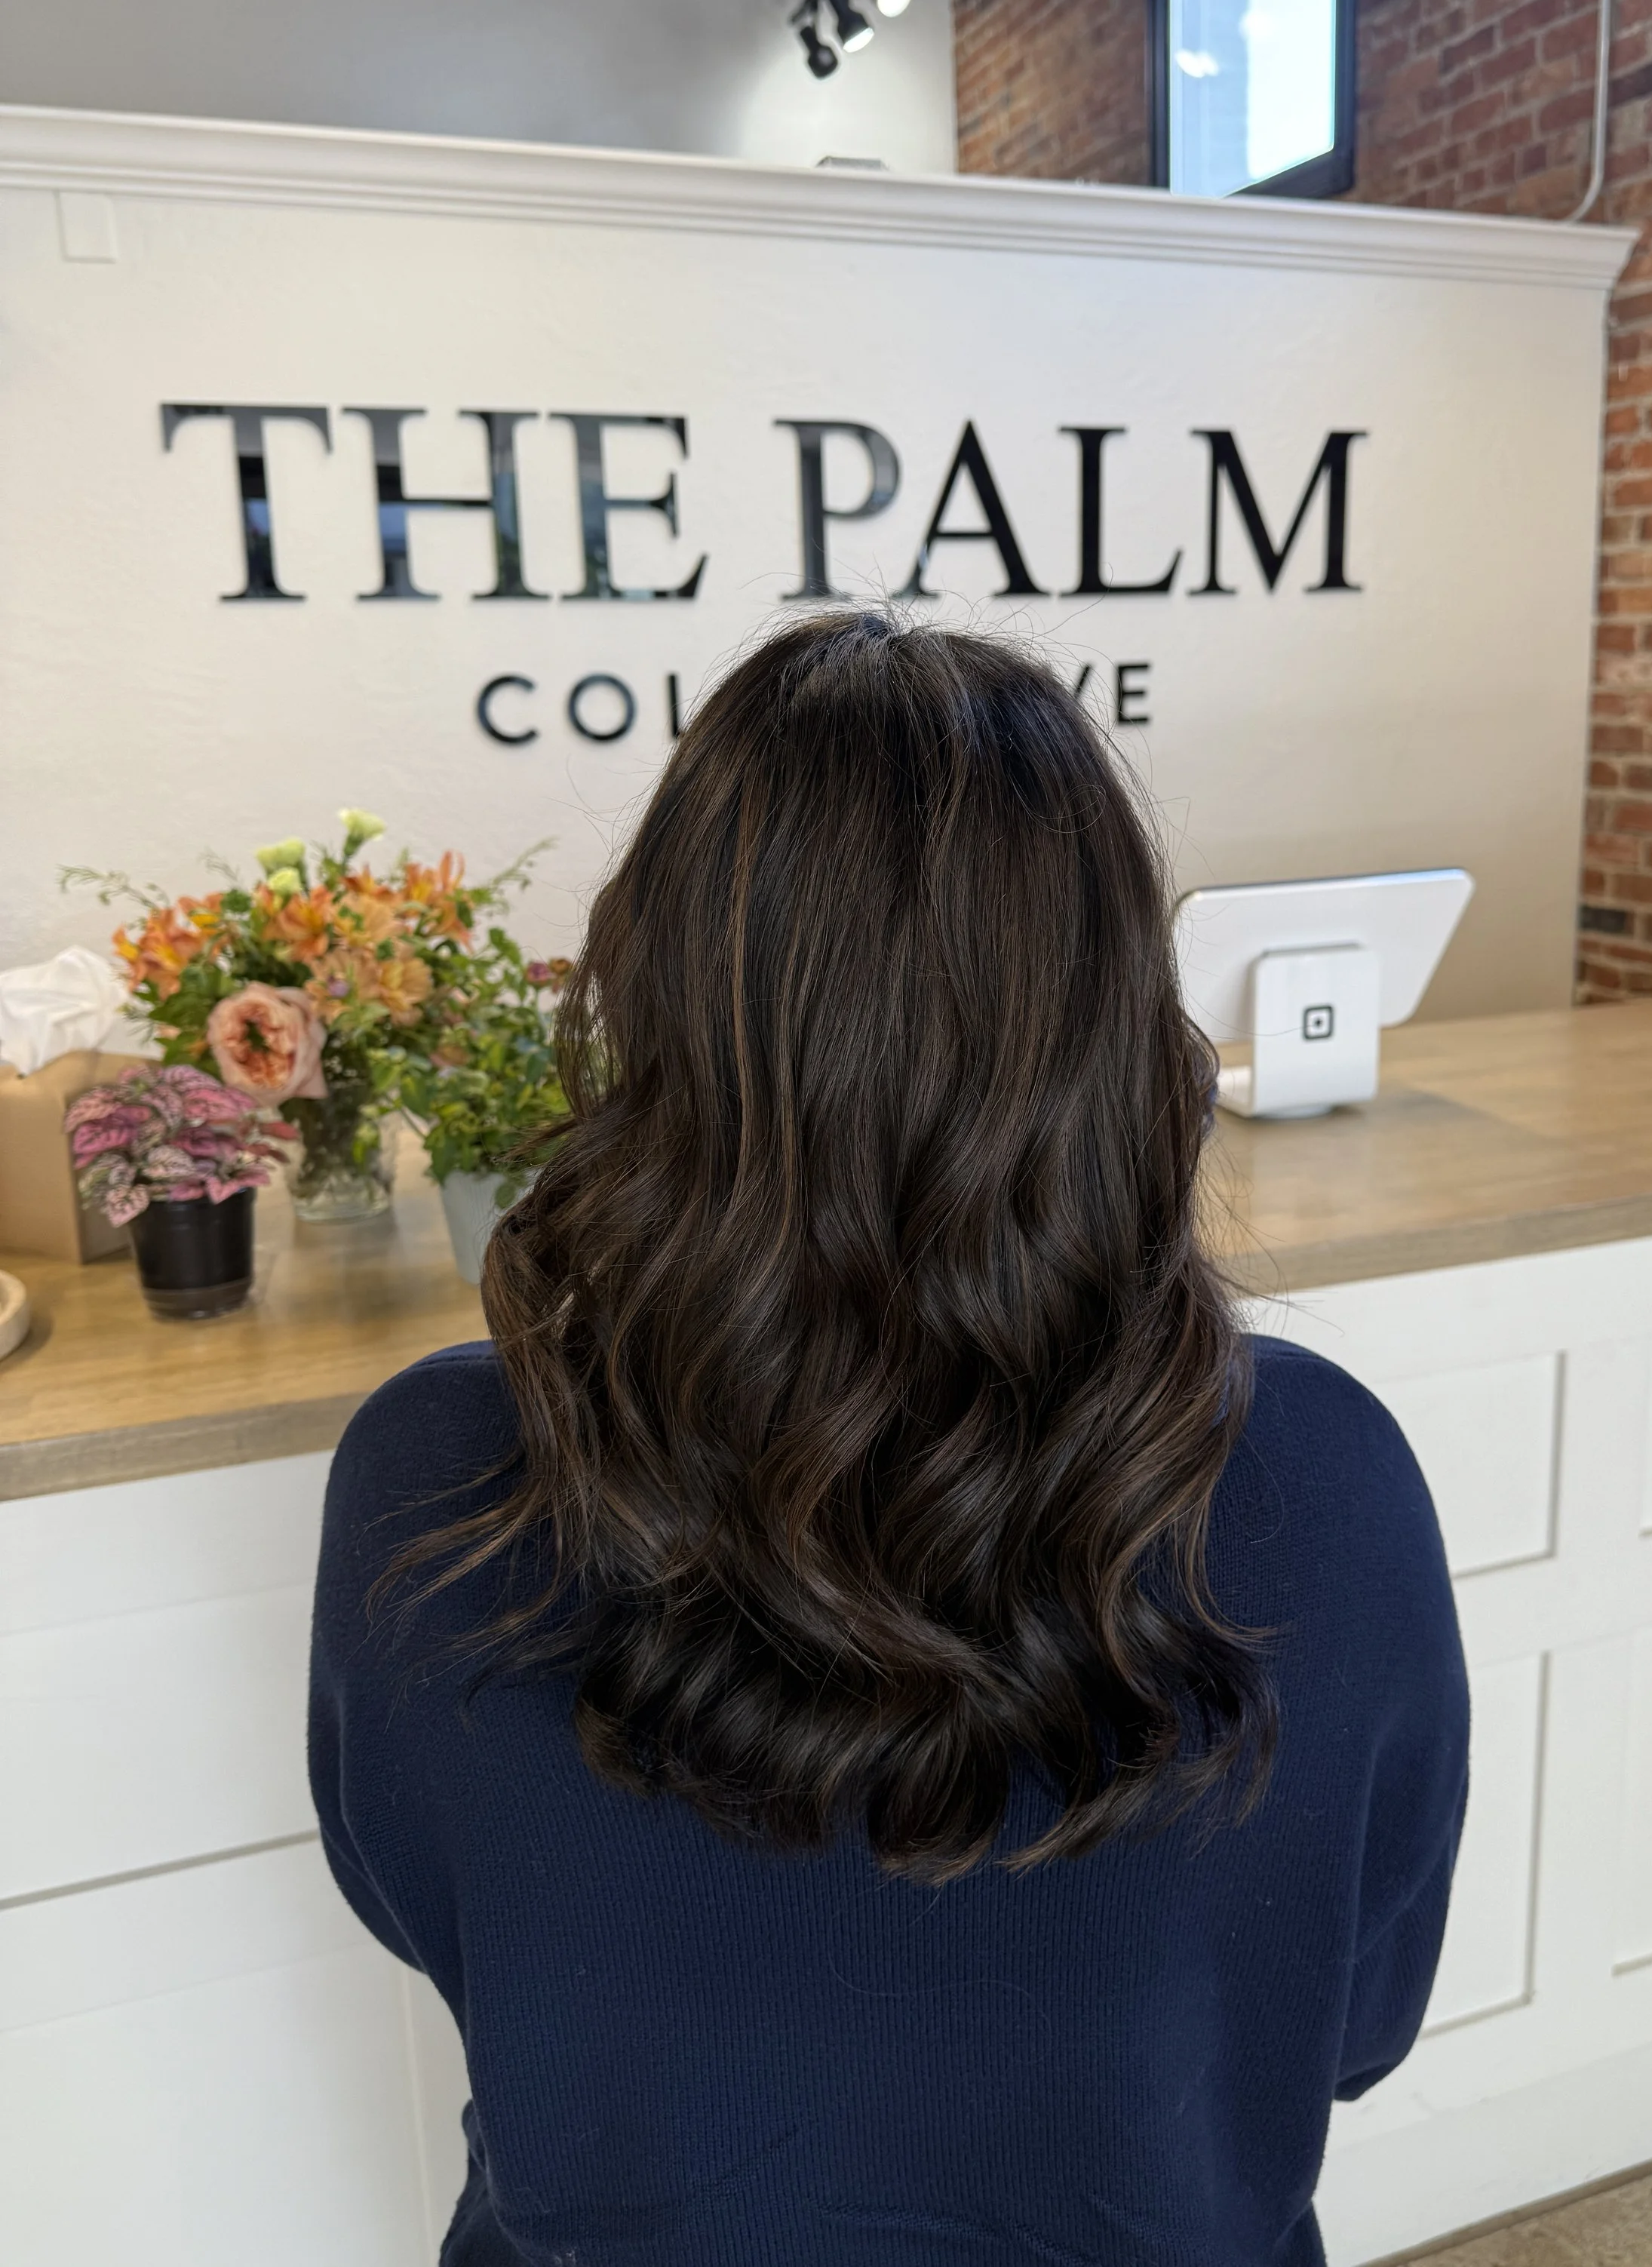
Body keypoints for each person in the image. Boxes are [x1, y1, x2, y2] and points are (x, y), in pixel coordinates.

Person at [310, 613, 1468, 2267]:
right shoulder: (1314, 1477)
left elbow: (432, 1921)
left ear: (653, 983)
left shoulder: (437, 1471)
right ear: (1116, 1015)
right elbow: (1351, 2025)